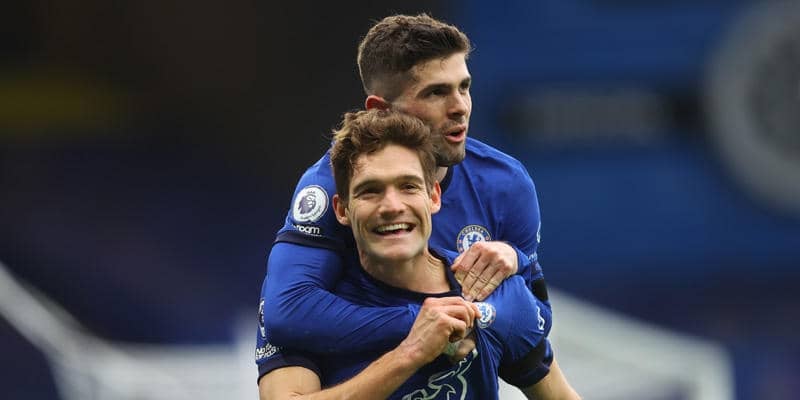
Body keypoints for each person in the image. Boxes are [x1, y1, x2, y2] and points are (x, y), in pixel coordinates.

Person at [256, 11, 553, 379]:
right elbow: (287, 312)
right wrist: (426, 324)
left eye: (464, 87)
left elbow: (537, 328)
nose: (460, 107)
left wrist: (515, 260)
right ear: (380, 110)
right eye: (436, 92)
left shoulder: (505, 183)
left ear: (434, 197)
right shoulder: (333, 185)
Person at [259, 109, 579, 399]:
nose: (392, 206)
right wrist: (410, 353)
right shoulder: (309, 313)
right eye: (370, 191)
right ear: (342, 209)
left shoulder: (496, 293)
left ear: (434, 197)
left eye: (408, 186)